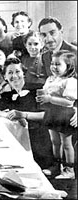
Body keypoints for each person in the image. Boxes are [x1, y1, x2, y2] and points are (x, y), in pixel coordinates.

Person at [0, 57, 53, 169]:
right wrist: (6, 115)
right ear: (5, 77)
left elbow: (48, 115)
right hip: (23, 140)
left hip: (41, 140)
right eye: (10, 72)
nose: (14, 76)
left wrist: (23, 114)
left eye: (17, 71)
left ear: (23, 73)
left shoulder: (37, 90)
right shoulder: (9, 95)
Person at [36, 50, 77, 179]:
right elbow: (46, 93)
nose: (54, 67)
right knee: (55, 141)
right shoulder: (51, 79)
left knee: (66, 143)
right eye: (52, 64)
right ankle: (56, 166)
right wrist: (42, 98)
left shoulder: (70, 81)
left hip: (64, 114)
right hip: (52, 113)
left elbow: (68, 102)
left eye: (58, 64)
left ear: (68, 66)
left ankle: (69, 169)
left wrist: (50, 99)